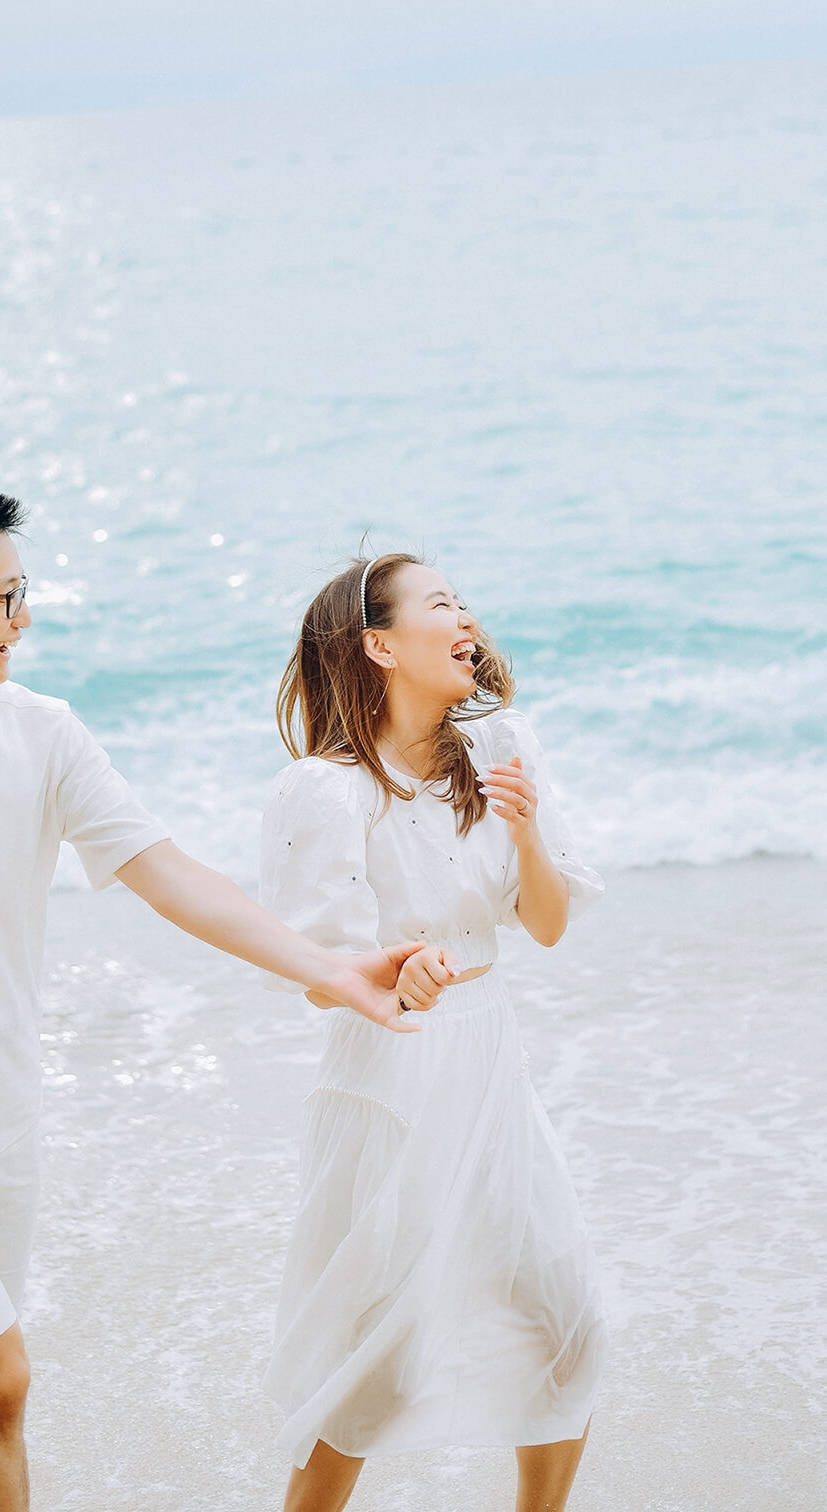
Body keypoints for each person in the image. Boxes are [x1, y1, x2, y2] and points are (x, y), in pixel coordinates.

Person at [0, 491, 438, 1512]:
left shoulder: (44, 735)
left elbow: (166, 870)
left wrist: (324, 968)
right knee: (0, 1377)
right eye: (7, 595)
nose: (25, 615)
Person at [258, 552, 607, 1512]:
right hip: (392, 1070)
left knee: (564, 1318)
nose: (467, 619)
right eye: (441, 604)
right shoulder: (324, 792)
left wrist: (529, 836)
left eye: (463, 602)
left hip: (492, 1053)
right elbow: (321, 978)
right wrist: (394, 976)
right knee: (378, 1358)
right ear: (379, 645)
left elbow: (545, 923)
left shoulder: (502, 746)